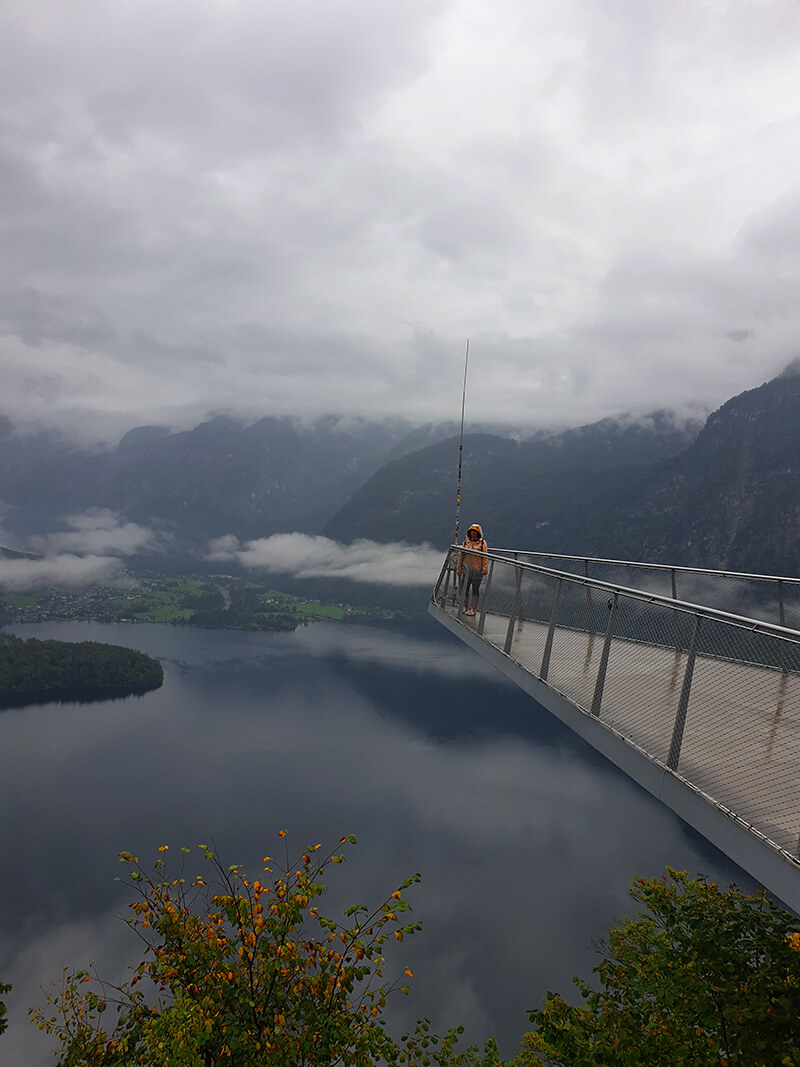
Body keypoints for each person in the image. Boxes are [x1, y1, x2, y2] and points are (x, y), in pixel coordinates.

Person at [457, 523, 488, 616]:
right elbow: (461, 556)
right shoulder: (466, 543)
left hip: (477, 570)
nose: (473, 534)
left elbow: (485, 556)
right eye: (472, 532)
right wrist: (459, 567)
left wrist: (484, 568)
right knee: (464, 588)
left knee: (475, 589)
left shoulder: (482, 544)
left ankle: (473, 609)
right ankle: (464, 606)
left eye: (475, 532)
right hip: (467, 569)